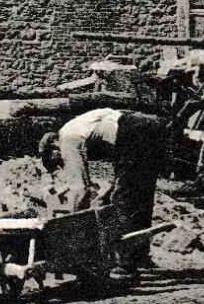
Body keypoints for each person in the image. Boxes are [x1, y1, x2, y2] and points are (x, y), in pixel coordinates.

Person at [39, 107, 172, 273]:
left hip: (132, 130)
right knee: (141, 195)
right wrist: (107, 192)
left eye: (59, 163)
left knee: (124, 202)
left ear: (53, 151)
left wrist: (70, 222)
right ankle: (140, 256)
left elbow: (80, 188)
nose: (63, 165)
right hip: (152, 125)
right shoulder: (81, 125)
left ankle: (124, 262)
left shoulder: (66, 138)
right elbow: (119, 168)